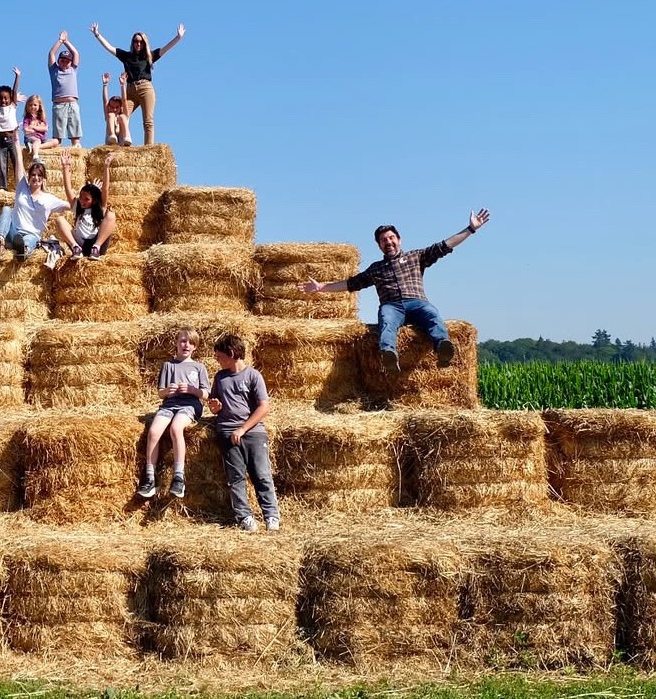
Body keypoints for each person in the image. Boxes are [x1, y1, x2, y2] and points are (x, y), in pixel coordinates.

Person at [301, 209, 492, 375]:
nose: (388, 242)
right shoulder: (375, 269)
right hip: (392, 306)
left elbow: (445, 245)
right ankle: (389, 354)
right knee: (386, 320)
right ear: (379, 245)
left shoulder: (416, 257)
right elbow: (351, 284)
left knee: (432, 314)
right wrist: (321, 288)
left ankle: (442, 345)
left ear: (399, 240)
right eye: (383, 240)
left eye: (391, 238)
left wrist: (470, 229)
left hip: (417, 302)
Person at [206, 334, 280, 532]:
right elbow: (215, 407)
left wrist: (243, 429)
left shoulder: (253, 375)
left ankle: (271, 516)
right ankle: (245, 517)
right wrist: (214, 407)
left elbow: (264, 407)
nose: (217, 360)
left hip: (253, 433)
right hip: (227, 432)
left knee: (262, 475)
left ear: (231, 354)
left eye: (219, 356)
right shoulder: (220, 378)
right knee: (235, 477)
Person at [135, 327, 209, 500]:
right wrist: (169, 390)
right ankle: (150, 477)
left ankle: (178, 477)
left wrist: (192, 390)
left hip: (190, 405)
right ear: (176, 344)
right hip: (169, 405)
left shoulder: (199, 367)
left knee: (176, 428)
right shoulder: (168, 366)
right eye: (183, 341)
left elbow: (206, 394)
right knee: (153, 432)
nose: (186, 345)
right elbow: (161, 393)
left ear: (195, 347)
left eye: (191, 343)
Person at [89, 22, 184, 144]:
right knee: (121, 115)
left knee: (148, 121)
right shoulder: (127, 56)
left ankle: (148, 149)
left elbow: (165, 48)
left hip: (146, 89)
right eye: (136, 41)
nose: (138, 44)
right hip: (131, 90)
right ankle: (120, 142)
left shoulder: (150, 56)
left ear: (144, 43)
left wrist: (178, 37)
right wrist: (97, 35)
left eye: (141, 41)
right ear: (132, 42)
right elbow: (110, 48)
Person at [0, 148, 77, 261]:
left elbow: (73, 205)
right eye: (33, 175)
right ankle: (0, 243)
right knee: (7, 209)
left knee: (31, 239)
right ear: (29, 177)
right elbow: (19, 162)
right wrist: (16, 140)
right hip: (13, 232)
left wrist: (92, 196)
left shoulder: (50, 199)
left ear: (43, 178)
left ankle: (24, 250)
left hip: (31, 234)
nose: (36, 178)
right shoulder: (22, 188)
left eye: (39, 175)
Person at [60, 151, 117, 259]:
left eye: (87, 199)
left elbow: (105, 188)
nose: (82, 201)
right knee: (59, 220)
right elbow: (68, 189)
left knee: (111, 215)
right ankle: (75, 248)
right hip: (80, 243)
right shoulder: (77, 206)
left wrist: (106, 167)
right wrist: (65, 167)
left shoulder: (100, 208)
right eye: (81, 197)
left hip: (95, 242)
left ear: (94, 200)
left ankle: (96, 248)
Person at [0, 68, 27, 189]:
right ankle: (2, 187)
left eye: (6, 98)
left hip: (12, 138)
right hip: (1, 139)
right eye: (1, 98)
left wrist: (17, 77)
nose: (3, 100)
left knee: (16, 162)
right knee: (2, 164)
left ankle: (20, 184)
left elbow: (14, 91)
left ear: (10, 99)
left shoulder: (12, 106)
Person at [47, 31, 82, 147]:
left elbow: (76, 53)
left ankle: (75, 151)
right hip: (59, 105)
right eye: (62, 60)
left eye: (67, 61)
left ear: (71, 62)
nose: (65, 63)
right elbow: (52, 53)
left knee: (75, 136)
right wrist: (60, 41)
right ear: (58, 61)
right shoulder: (54, 70)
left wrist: (66, 42)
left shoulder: (73, 69)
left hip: (72, 103)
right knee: (58, 137)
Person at [21, 95, 60, 160]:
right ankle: (35, 156)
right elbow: (26, 130)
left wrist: (33, 127)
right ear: (27, 106)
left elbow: (45, 128)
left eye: (35, 105)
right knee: (37, 140)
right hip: (31, 139)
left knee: (56, 141)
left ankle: (35, 147)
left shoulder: (41, 118)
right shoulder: (27, 118)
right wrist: (37, 129)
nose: (33, 107)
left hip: (42, 140)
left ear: (39, 106)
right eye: (30, 105)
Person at [102, 72, 132, 146]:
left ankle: (126, 137)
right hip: (111, 142)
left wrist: (122, 85)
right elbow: (105, 101)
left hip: (123, 141)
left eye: (117, 107)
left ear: (120, 107)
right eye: (112, 107)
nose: (114, 109)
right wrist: (105, 85)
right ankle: (112, 135)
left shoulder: (124, 114)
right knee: (111, 115)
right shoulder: (109, 116)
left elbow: (124, 100)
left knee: (122, 117)